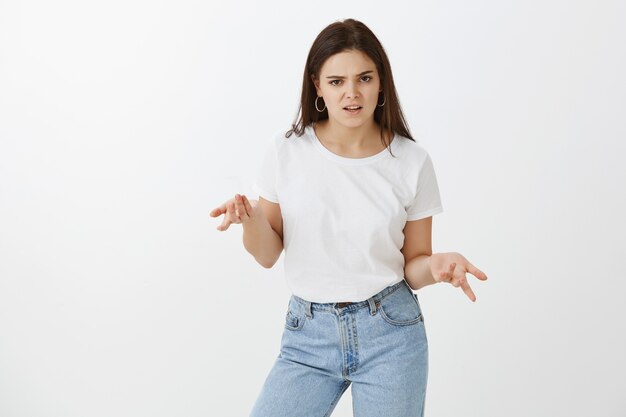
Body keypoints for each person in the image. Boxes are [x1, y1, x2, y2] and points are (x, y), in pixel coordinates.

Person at [209, 18, 488, 417]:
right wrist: (250, 219)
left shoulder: (411, 161)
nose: (352, 93)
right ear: (317, 86)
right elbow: (268, 253)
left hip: (391, 333)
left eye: (364, 78)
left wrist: (439, 265)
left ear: (381, 82)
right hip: (308, 336)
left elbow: (414, 267)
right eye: (337, 81)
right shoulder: (287, 151)